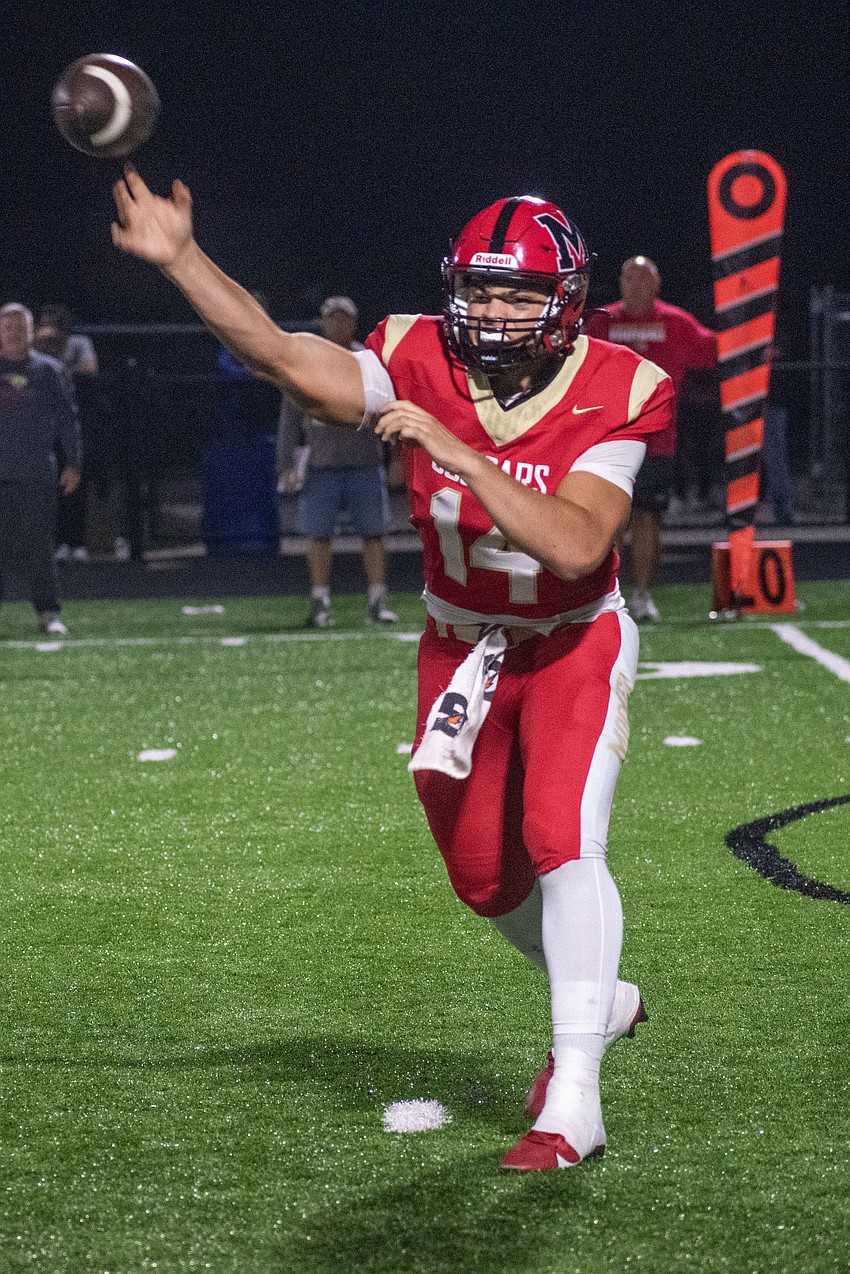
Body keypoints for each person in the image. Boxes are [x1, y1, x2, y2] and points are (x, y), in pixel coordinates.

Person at [111, 175, 673, 1171]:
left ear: (568, 298)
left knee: (561, 838)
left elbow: (579, 543)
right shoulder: (416, 351)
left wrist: (456, 449)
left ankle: (573, 1093)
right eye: (481, 291)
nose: (493, 312)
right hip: (460, 645)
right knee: (481, 878)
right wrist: (181, 259)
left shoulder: (619, 386)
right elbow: (286, 358)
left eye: (516, 294)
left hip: (571, 640)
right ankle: (606, 994)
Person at [584, 257, 717, 620]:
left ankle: (642, 597)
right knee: (607, 522)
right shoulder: (602, 322)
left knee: (647, 520)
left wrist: (757, 338)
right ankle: (601, 598)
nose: (635, 285)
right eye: (628, 278)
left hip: (656, 441)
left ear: (656, 285)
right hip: (605, 441)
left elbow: (719, 350)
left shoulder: (676, 323)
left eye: (643, 278)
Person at [278, 295, 397, 627]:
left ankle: (377, 600)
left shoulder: (369, 360)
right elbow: (289, 415)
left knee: (374, 534)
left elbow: (391, 407)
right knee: (318, 535)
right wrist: (286, 462)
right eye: (332, 318)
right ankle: (319, 602)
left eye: (343, 319)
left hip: (365, 460)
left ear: (353, 323)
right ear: (322, 321)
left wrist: (397, 456)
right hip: (322, 463)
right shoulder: (310, 358)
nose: (337, 324)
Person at [0, 303, 81, 635]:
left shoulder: (49, 371)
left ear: (31, 331)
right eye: (8, 327)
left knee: (40, 545)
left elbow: (67, 419)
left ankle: (47, 613)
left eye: (21, 327)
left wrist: (73, 463)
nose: (15, 333)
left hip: (36, 473)